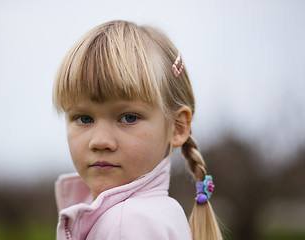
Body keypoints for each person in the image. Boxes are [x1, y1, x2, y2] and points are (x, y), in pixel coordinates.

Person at [53, 20, 222, 240]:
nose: (100, 141)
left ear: (177, 126)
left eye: (129, 117)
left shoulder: (129, 222)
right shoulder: (154, 214)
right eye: (84, 118)